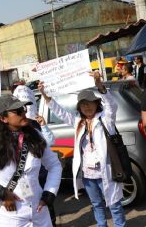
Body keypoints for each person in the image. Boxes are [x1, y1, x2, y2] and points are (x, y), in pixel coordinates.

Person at [38, 71, 126, 227]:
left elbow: (112, 105)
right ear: (79, 107)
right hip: (87, 174)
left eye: (90, 103)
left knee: (114, 205)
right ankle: (101, 225)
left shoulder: (106, 119)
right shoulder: (78, 121)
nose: (87, 106)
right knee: (96, 204)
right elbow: (60, 112)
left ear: (96, 104)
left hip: (106, 171)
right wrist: (45, 95)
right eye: (83, 104)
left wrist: (99, 85)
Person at [0, 94, 62, 226]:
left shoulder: (35, 135)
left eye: (23, 109)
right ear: (3, 118)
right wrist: (0, 193)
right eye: (18, 111)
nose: (23, 113)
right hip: (10, 214)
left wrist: (49, 193)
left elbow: (54, 165)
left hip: (39, 211)